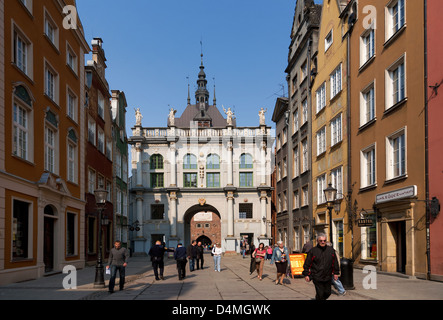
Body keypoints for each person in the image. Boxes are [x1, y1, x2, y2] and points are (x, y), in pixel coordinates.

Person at [302, 233, 340, 300]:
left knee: (328, 292)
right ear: (317, 241)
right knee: (320, 293)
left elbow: (335, 262)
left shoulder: (331, 250)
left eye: (324, 240)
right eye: (321, 241)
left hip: (327, 276)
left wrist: (336, 273)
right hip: (317, 276)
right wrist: (306, 274)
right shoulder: (313, 251)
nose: (323, 242)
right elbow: (307, 264)